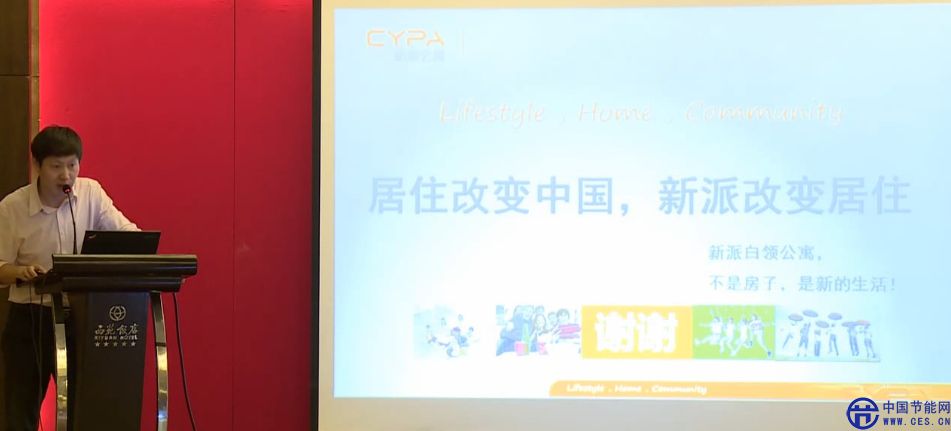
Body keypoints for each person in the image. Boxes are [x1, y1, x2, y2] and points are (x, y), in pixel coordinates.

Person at [0, 125, 138, 431]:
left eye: (72, 165)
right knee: (20, 411)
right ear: (37, 165)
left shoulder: (91, 193)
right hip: (30, 320)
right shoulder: (12, 208)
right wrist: (20, 272)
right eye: (56, 166)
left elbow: (128, 235)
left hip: (81, 317)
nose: (66, 176)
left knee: (83, 407)